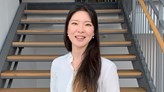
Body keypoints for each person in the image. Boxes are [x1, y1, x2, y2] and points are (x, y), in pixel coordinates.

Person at [50, 3, 120, 92]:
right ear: (67, 29)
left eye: (87, 24)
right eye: (75, 23)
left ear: (94, 32)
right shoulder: (57, 64)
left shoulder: (107, 68)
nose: (80, 30)